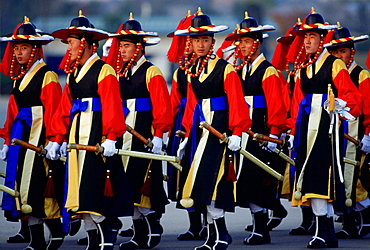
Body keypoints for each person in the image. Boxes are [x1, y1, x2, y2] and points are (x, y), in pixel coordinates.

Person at [48, 10, 133, 250]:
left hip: (96, 136)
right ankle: (92, 239)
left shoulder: (103, 70)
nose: (69, 48)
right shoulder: (74, 72)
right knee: (79, 191)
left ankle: (107, 235)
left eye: (72, 43)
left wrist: (112, 137)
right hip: (77, 137)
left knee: (94, 189)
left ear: (84, 43)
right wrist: (57, 137)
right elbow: (65, 107)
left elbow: (112, 105)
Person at [175, 8, 252, 250]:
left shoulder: (225, 69)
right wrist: (186, 135)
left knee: (213, 182)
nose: (200, 44)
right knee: (202, 184)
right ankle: (214, 236)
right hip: (201, 132)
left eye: (204, 40)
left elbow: (238, 103)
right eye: (196, 40)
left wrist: (238, 132)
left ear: (212, 42)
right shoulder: (192, 70)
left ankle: (221, 235)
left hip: (220, 133)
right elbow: (191, 106)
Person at [289, 8, 363, 248]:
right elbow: (297, 102)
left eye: (313, 36)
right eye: (305, 37)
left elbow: (352, 96)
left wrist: (341, 104)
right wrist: (292, 131)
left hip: (326, 128)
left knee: (324, 176)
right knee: (309, 176)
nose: (308, 41)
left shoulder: (334, 65)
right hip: (306, 128)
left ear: (323, 39)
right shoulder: (304, 68)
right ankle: (324, 231)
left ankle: (326, 231)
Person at [104, 13, 172, 249]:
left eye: (126, 46)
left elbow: (162, 107)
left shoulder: (151, 72)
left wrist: (160, 135)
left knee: (141, 182)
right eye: (120, 46)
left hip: (144, 134)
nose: (121, 50)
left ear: (139, 48)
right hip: (124, 134)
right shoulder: (120, 72)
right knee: (127, 184)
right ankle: (141, 233)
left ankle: (150, 226)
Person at [0, 17, 65, 249]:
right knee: (21, 186)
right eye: (16, 48)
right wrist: (8, 140)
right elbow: (13, 111)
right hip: (21, 136)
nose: (18, 53)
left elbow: (55, 110)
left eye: (24, 48)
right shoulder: (18, 77)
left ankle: (54, 231)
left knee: (37, 186)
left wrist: (55, 140)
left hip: (40, 137)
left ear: (35, 50)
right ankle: (38, 239)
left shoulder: (47, 75)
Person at [225, 12, 288, 245]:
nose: (242, 46)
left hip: (261, 134)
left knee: (258, 181)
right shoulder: (240, 71)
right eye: (240, 41)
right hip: (245, 133)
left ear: (257, 43)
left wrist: (273, 133)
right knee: (246, 182)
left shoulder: (268, 71)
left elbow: (276, 105)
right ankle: (259, 225)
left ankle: (262, 229)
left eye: (247, 41)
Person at [325, 24, 370, 239]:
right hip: (338, 134)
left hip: (358, 133)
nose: (338, 56)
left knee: (358, 179)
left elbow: (368, 107)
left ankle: (363, 220)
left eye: (342, 51)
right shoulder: (332, 74)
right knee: (340, 178)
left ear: (351, 51)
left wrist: (369, 134)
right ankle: (349, 221)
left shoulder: (361, 75)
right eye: (334, 52)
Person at [166, 10, 208, 242]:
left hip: (204, 120)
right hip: (185, 122)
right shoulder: (180, 72)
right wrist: (171, 131)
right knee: (185, 171)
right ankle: (194, 224)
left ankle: (208, 222)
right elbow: (174, 102)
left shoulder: (209, 67)